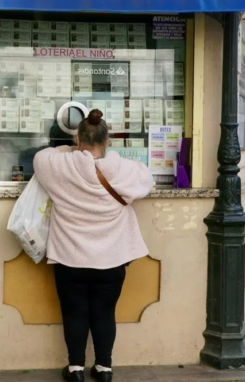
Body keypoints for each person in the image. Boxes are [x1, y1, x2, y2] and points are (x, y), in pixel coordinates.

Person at [33, 109, 155, 382]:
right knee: (104, 312)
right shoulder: (120, 168)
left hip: (69, 258)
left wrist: (71, 149)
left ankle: (75, 368)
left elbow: (40, 157)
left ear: (78, 138)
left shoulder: (61, 166)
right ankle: (104, 368)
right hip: (111, 259)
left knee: (74, 312)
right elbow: (147, 179)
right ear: (107, 140)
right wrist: (107, 157)